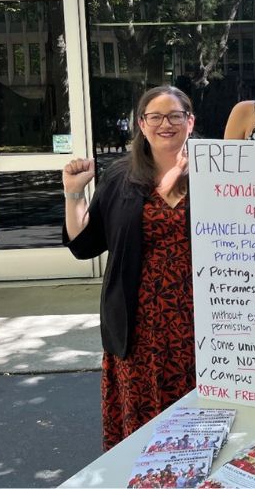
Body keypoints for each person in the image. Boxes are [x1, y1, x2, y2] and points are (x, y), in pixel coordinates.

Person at [62, 86, 195, 450]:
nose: (165, 124)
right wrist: (74, 193)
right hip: (138, 324)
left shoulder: (215, 174)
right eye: (155, 116)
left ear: (190, 121)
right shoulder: (122, 176)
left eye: (175, 115)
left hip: (203, 322)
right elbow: (84, 244)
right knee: (144, 420)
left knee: (201, 414)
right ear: (141, 124)